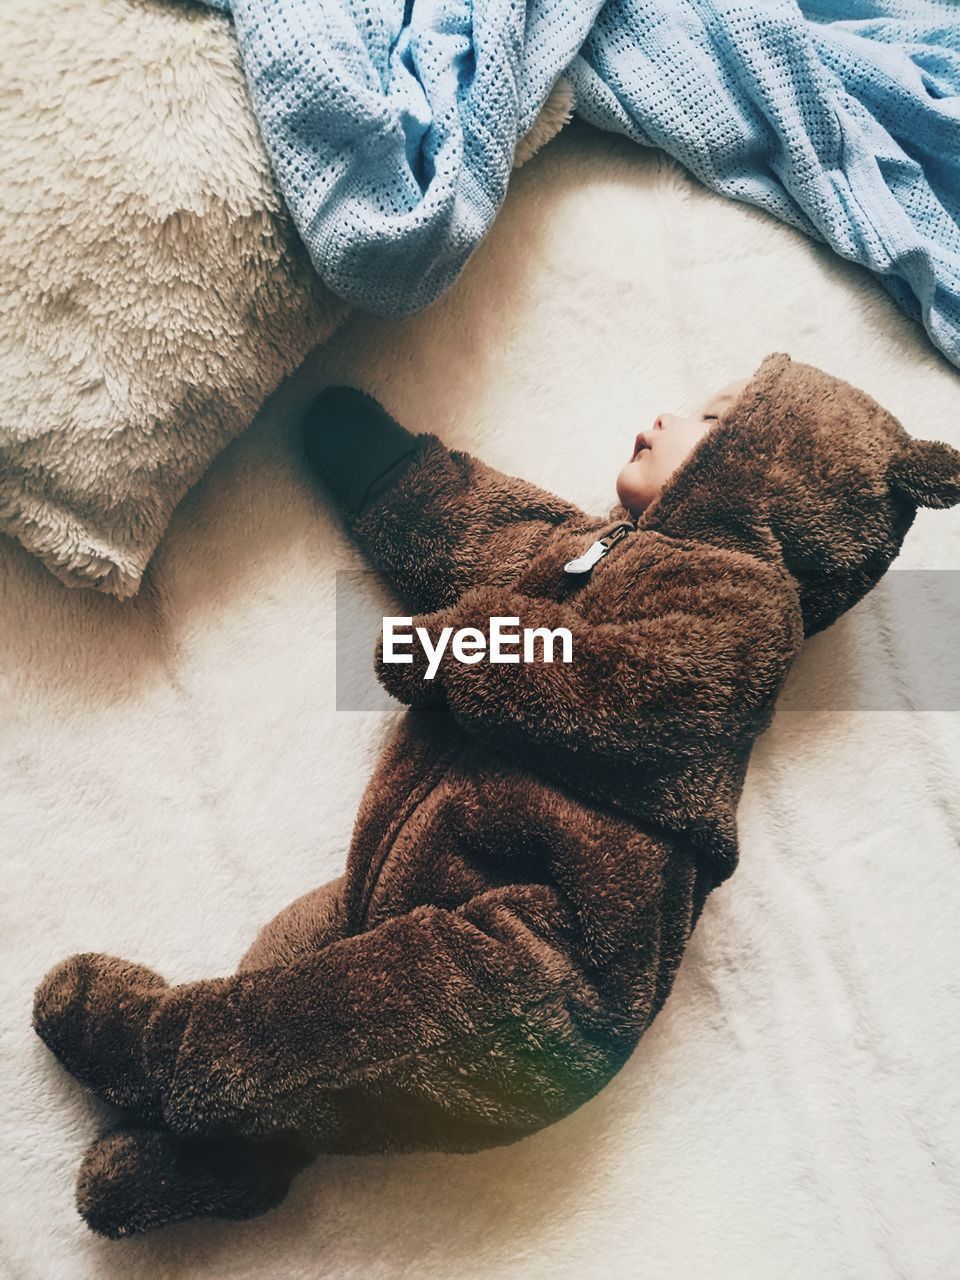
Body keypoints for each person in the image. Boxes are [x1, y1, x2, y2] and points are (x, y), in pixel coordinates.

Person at [32, 354, 959, 1238]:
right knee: (293, 969)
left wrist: (461, 647)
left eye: (710, 421)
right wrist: (385, 473)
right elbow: (481, 533)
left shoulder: (746, 607)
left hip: (548, 969)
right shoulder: (587, 551)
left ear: (768, 483)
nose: (665, 416)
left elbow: (627, 689)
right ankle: (237, 1156)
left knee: (334, 1014)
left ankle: (163, 1048)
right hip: (415, 886)